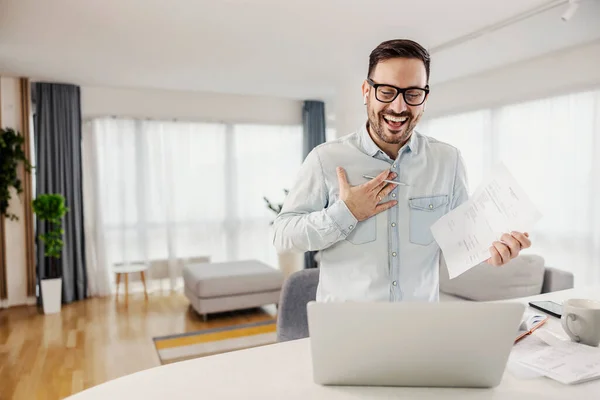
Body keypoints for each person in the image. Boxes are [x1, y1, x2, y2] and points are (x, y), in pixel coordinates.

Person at [272, 39, 531, 303]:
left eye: (413, 94)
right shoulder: (325, 158)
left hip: (419, 330)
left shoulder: (448, 160)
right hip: (348, 330)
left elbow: (462, 240)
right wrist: (347, 212)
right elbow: (283, 235)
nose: (399, 107)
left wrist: (487, 251)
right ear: (366, 91)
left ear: (425, 98)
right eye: (386, 92)